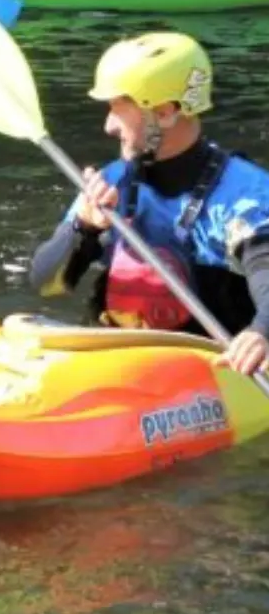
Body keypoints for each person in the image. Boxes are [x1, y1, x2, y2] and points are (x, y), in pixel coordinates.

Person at [29, 31, 269, 376]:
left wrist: (262, 334)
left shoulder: (244, 198)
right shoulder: (109, 184)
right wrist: (84, 227)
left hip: (212, 370)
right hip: (119, 361)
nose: (108, 126)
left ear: (166, 112)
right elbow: (45, 284)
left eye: (117, 109)